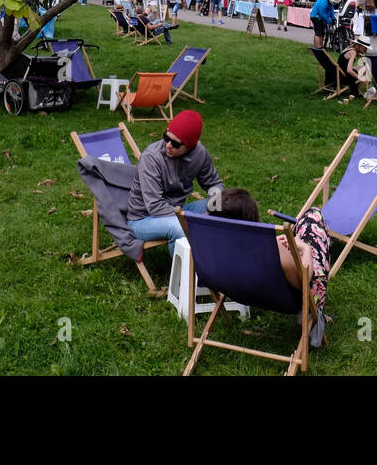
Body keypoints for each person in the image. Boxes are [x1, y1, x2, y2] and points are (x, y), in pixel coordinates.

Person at [209, 188, 332, 339]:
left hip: (235, 287)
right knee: (314, 217)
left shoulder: (209, 242)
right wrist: (306, 250)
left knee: (310, 220)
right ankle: (312, 315)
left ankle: (299, 234)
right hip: (295, 297)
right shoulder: (273, 250)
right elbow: (305, 280)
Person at [126, 110, 224, 255]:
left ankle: (218, 263)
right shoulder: (151, 158)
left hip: (178, 211)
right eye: (166, 137)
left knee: (224, 206)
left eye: (176, 143)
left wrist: (214, 207)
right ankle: (184, 276)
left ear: (190, 146)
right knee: (180, 228)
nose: (168, 145)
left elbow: (214, 183)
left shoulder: (200, 154)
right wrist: (190, 219)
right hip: (143, 219)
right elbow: (154, 205)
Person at [336, 36, 370, 101]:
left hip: (339, 72)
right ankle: (356, 90)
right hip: (343, 76)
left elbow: (346, 65)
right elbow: (349, 70)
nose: (366, 50)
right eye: (364, 47)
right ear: (358, 45)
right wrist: (360, 78)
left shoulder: (349, 48)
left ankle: (356, 90)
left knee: (364, 67)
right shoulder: (353, 52)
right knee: (366, 69)